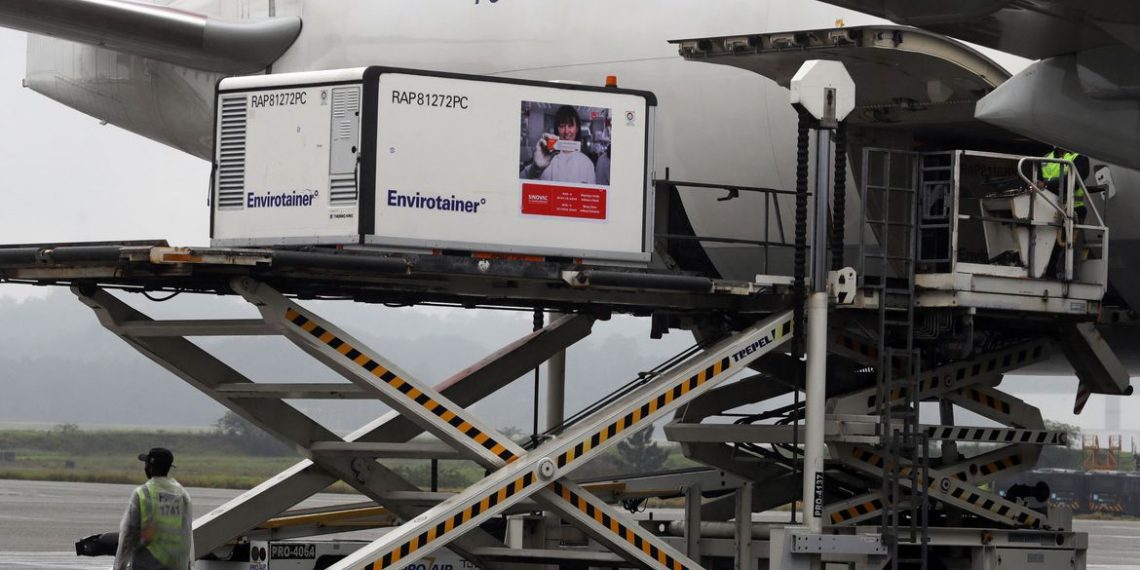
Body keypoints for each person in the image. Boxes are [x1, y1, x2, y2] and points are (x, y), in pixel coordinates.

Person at [114, 448, 193, 570]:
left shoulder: (142, 494)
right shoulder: (182, 495)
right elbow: (187, 534)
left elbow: (128, 535)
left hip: (147, 565)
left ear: (149, 467)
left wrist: (120, 566)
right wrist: (188, 566)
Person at [523, 105, 597, 184]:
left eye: (570, 126)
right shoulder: (544, 156)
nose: (566, 132)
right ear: (556, 129)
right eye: (562, 126)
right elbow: (521, 181)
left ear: (577, 129)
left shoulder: (586, 163)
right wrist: (536, 168)